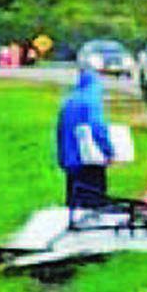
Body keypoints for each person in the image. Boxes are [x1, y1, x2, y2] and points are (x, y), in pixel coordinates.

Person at [56, 68, 115, 209]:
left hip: (71, 161)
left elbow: (59, 132)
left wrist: (62, 158)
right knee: (93, 203)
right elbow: (97, 127)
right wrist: (108, 151)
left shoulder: (68, 101)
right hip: (90, 160)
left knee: (74, 203)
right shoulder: (92, 101)